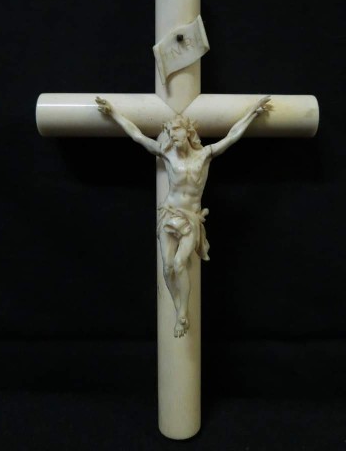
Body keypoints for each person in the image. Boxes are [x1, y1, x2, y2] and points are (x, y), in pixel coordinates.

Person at [96, 95, 271, 337]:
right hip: (169, 215)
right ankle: (179, 307)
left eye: (176, 131)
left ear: (187, 132)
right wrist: (113, 113)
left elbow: (232, 136)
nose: (172, 136)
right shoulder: (167, 155)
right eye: (170, 133)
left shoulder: (205, 155)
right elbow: (137, 135)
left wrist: (252, 113)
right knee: (168, 268)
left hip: (190, 218)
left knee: (180, 264)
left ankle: (182, 313)